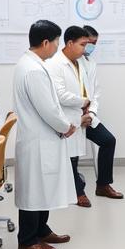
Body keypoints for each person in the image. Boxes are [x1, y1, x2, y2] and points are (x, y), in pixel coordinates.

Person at [12, 19, 76, 249]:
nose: (58, 47)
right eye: (57, 42)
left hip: (40, 137)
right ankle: (27, 239)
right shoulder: (33, 70)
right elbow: (47, 108)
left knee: (42, 187)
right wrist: (65, 126)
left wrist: (62, 125)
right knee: (35, 190)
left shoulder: (31, 65)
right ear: (46, 42)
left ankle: (41, 229)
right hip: (38, 140)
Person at [48, 26, 96, 207]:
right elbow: (60, 95)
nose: (85, 49)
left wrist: (88, 108)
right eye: (82, 44)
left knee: (73, 159)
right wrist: (83, 102)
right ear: (69, 43)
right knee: (68, 159)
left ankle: (76, 190)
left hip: (80, 115)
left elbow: (88, 89)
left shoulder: (79, 62)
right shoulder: (56, 64)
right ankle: (78, 192)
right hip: (67, 117)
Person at [80, 25, 123, 200]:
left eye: (94, 44)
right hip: (70, 118)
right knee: (72, 153)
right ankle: (77, 191)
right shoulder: (65, 62)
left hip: (88, 116)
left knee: (108, 140)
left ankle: (103, 185)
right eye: (89, 43)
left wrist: (92, 113)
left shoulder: (91, 63)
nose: (91, 47)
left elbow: (95, 92)